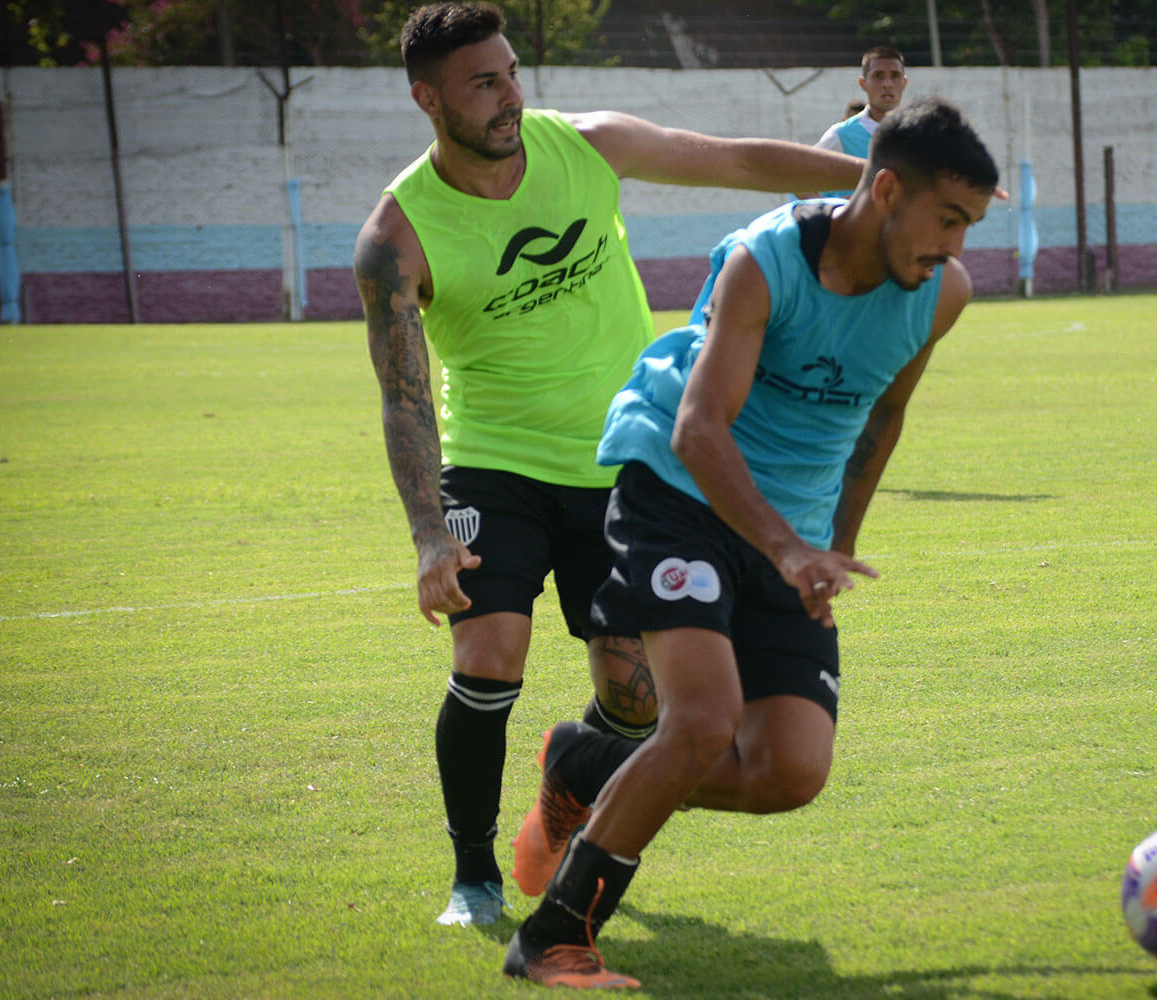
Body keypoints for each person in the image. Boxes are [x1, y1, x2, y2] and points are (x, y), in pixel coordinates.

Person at [353, 1, 863, 931]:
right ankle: (471, 879)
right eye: (483, 82)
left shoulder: (583, 146)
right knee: (489, 654)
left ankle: (568, 782)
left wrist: (880, 179)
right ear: (428, 98)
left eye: (511, 72)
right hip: (494, 468)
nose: (510, 96)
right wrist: (429, 531)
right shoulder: (397, 238)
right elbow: (403, 395)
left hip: (624, 467)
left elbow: (738, 162)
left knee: (632, 699)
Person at [502, 96, 1000, 988]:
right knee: (700, 724)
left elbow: (883, 418)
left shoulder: (941, 296)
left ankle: (584, 761)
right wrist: (787, 550)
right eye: (949, 219)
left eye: (970, 227)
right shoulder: (764, 262)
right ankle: (552, 936)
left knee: (787, 772)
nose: (956, 248)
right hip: (680, 491)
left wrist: (831, 554)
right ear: (886, 190)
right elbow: (699, 428)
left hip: (793, 530)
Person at [794, 45, 909, 199]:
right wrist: (834, 214)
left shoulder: (921, 134)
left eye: (895, 75)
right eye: (878, 76)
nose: (887, 84)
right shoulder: (842, 134)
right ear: (863, 84)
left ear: (904, 82)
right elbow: (798, 180)